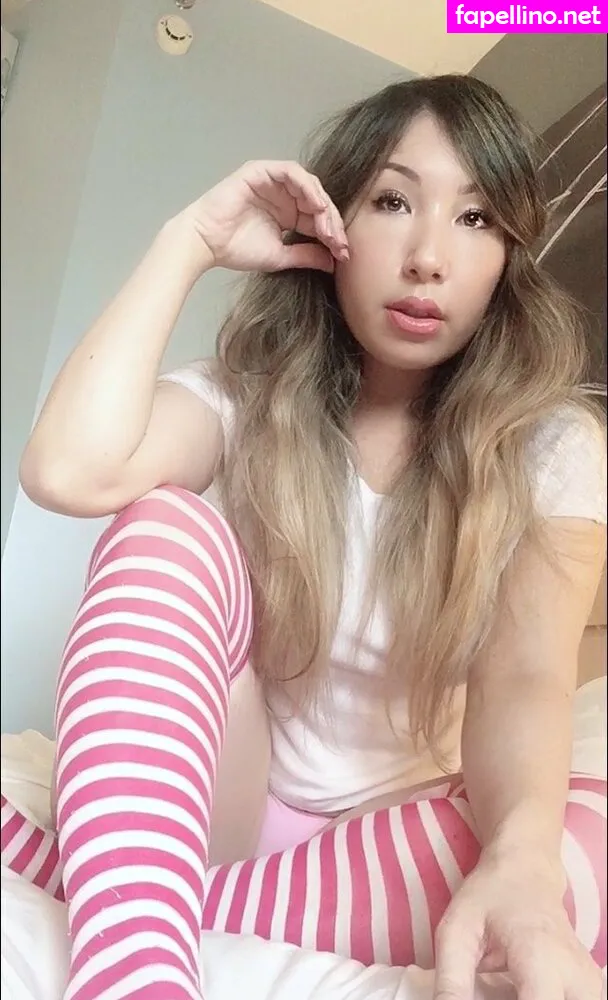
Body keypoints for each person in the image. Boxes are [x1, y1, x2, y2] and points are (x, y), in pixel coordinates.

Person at [5, 74, 606, 1000]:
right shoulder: (245, 399)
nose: (428, 258)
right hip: (228, 799)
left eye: (476, 218)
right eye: (393, 202)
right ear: (333, 223)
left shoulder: (550, 443)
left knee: (575, 845)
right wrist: (188, 243)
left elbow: (526, 677)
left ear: (508, 257)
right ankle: (135, 968)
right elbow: (69, 471)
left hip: (393, 833)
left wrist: (521, 864)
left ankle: (116, 883)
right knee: (165, 523)